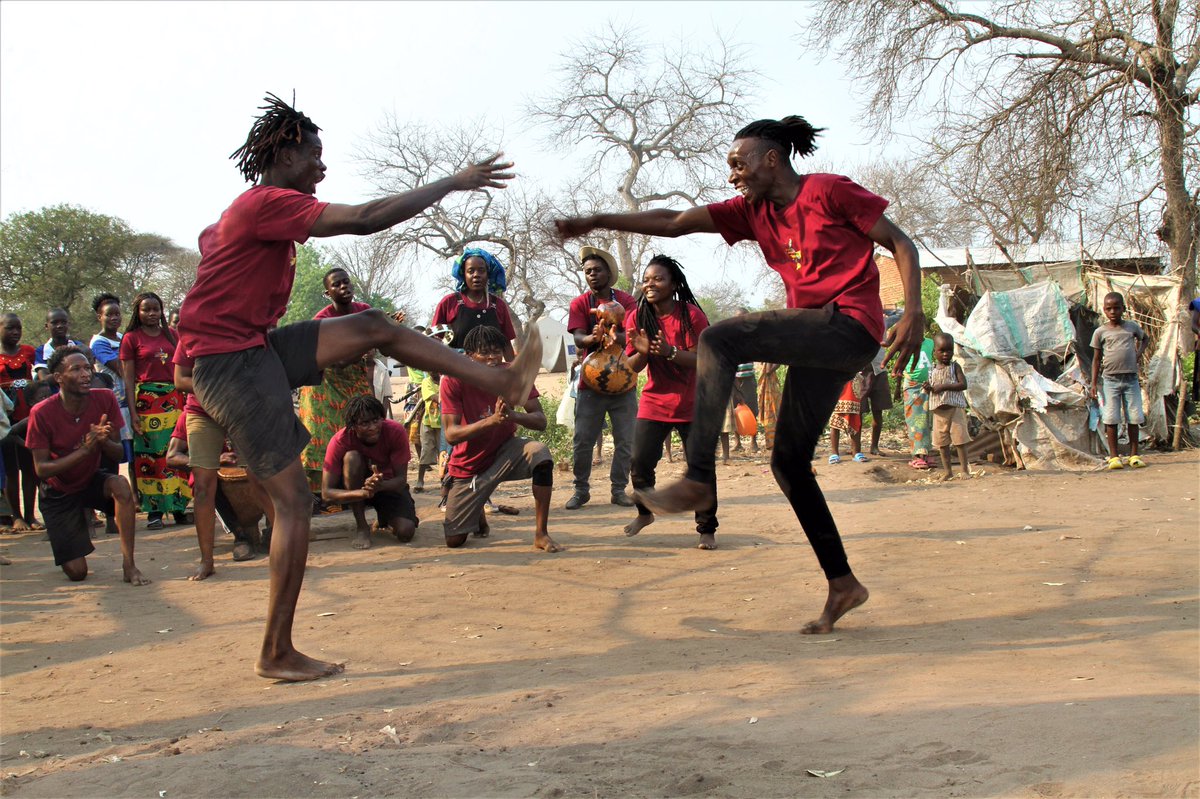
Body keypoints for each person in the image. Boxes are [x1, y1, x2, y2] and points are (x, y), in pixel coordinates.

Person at [176, 93, 541, 682]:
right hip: (233, 365)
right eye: (315, 155)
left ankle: (501, 378)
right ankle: (275, 652)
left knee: (375, 326)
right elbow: (366, 220)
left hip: (255, 349)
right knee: (294, 504)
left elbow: (212, 244)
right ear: (285, 152)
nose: (322, 167)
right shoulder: (265, 202)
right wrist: (453, 181)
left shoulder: (244, 216)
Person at [555, 115, 924, 634]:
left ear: (772, 159)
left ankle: (699, 478)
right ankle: (843, 584)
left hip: (849, 325)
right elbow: (675, 221)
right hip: (818, 343)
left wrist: (912, 311)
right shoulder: (752, 212)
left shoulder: (828, 191)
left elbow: (900, 243)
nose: (732, 175)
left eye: (738, 163)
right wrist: (600, 221)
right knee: (788, 463)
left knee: (718, 337)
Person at [25, 346, 149, 585]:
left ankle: (129, 565)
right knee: (77, 573)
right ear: (59, 378)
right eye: (76, 369)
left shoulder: (104, 398)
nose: (86, 374)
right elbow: (41, 469)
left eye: (87, 368)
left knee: (120, 485)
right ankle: (69, 530)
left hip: (89, 479)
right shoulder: (41, 413)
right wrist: (85, 450)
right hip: (57, 491)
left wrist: (102, 441)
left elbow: (118, 453)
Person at [621, 255, 718, 549]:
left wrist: (670, 352)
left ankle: (706, 528)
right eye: (646, 279)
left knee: (700, 468)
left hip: (695, 403)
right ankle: (645, 512)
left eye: (658, 279)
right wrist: (643, 352)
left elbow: (706, 361)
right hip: (655, 401)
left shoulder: (691, 316)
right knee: (639, 462)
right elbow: (632, 367)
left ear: (674, 284)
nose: (650, 284)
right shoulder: (637, 317)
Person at [440, 326, 558, 552]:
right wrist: (492, 421)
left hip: (505, 451)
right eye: (485, 353)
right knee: (454, 541)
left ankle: (541, 534)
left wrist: (511, 416)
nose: (493, 358)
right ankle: (477, 510)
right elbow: (451, 435)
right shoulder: (454, 379)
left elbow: (540, 420)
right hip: (469, 466)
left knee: (540, 453)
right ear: (469, 355)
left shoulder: (512, 374)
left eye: (497, 351)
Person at [565, 246, 638, 509]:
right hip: (590, 382)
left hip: (624, 380)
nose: (592, 275)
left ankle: (619, 489)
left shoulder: (627, 301)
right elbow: (578, 337)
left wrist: (612, 336)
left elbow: (632, 334)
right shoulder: (580, 303)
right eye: (587, 271)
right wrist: (592, 339)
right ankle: (581, 489)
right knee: (583, 440)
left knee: (625, 440)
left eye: (597, 270)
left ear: (609, 272)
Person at [297, 268, 375, 492]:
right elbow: (338, 361)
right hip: (326, 383)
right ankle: (323, 491)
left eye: (346, 282)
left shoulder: (364, 312)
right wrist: (365, 347)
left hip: (355, 378)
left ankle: (362, 483)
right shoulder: (322, 320)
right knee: (323, 434)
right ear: (327, 292)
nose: (344, 287)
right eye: (337, 284)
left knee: (366, 424)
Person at [120, 291, 190, 529]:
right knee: (151, 457)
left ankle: (179, 508)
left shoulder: (173, 335)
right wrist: (133, 414)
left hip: (174, 399)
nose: (151, 313)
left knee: (176, 453)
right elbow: (128, 380)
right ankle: (155, 512)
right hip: (147, 403)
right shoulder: (131, 339)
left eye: (155, 309)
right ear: (138, 313)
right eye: (146, 309)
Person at [166, 407, 258, 575]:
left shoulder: (244, 407)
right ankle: (240, 536)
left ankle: (271, 529)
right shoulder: (190, 416)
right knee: (210, 485)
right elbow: (171, 457)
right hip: (213, 477)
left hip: (245, 471)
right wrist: (213, 460)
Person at [322, 395, 417, 549]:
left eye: (376, 420)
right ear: (353, 426)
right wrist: (363, 492)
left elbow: (401, 480)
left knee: (406, 532)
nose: (373, 427)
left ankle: (384, 517)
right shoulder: (340, 440)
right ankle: (362, 526)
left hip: (386, 484)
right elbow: (327, 493)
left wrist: (379, 486)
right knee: (352, 458)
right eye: (365, 423)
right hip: (354, 487)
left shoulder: (395, 431)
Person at [1089, 292, 1149, 469]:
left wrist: (1138, 354)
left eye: (1117, 307)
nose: (1113, 311)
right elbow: (1096, 359)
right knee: (1111, 418)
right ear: (1104, 311)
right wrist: (1093, 384)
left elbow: (1145, 339)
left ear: (1123, 308)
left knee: (1134, 417)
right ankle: (1114, 457)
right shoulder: (1100, 332)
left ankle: (1134, 455)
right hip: (1110, 381)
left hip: (1131, 380)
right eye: (1109, 309)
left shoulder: (1131, 327)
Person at [431, 248, 517, 359]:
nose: (476, 275)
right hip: (457, 372)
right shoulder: (449, 303)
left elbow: (506, 346)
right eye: (471, 271)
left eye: (481, 270)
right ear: (463, 274)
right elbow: (434, 342)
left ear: (488, 274)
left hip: (491, 373)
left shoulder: (498, 305)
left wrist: (513, 374)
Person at [89, 294, 135, 481]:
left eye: (117, 314)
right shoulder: (99, 343)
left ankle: (135, 495)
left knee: (133, 452)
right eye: (109, 314)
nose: (114, 318)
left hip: (129, 399)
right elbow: (122, 368)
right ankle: (111, 498)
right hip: (113, 402)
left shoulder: (123, 338)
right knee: (112, 452)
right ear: (99, 317)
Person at [0, 313, 39, 531]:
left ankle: (31, 515)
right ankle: (16, 516)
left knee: (30, 467)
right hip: (6, 421)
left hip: (29, 416)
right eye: (10, 328)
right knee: (11, 469)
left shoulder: (28, 352)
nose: (15, 332)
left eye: (18, 328)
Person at [925, 333, 970, 479]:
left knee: (959, 440)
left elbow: (963, 384)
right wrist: (927, 388)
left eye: (949, 351)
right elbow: (931, 389)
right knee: (942, 443)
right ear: (935, 352)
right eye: (942, 351)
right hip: (939, 411)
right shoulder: (932, 369)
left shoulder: (954, 367)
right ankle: (948, 472)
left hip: (954, 408)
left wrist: (944, 386)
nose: (946, 354)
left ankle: (964, 470)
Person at [901, 336, 935, 470]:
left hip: (928, 385)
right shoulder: (905, 341)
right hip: (912, 385)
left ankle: (926, 453)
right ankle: (916, 455)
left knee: (927, 420)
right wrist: (898, 387)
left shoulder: (930, 343)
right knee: (914, 420)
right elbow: (901, 364)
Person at [32, 308, 85, 381]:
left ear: (68, 324)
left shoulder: (78, 346)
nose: (60, 326)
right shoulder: (42, 351)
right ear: (46, 326)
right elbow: (44, 379)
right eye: (54, 323)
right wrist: (70, 372)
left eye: (63, 322)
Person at [828, 370, 868, 464]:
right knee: (835, 418)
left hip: (853, 381)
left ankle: (856, 452)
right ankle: (834, 452)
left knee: (855, 416)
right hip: (837, 381)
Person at [861, 348, 892, 456]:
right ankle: (856, 447)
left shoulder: (883, 329)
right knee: (858, 411)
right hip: (860, 371)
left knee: (878, 410)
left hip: (879, 370)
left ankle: (874, 446)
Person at [757, 362, 782, 450]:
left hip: (771, 389)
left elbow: (768, 370)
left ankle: (772, 442)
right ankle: (773, 442)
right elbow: (768, 371)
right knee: (772, 416)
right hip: (770, 389)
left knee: (771, 415)